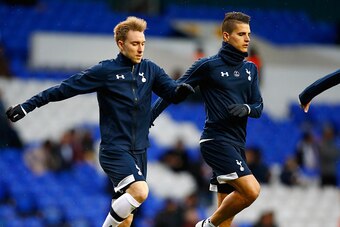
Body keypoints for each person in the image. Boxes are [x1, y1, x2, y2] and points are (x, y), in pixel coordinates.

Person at [6, 16, 194, 227]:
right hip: (115, 149)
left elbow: (172, 93)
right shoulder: (105, 71)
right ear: (121, 44)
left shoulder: (150, 69)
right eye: (135, 44)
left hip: (140, 150)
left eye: (143, 43)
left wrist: (185, 89)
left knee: (127, 218)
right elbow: (64, 89)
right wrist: (28, 105)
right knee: (140, 191)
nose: (140, 48)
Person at [152, 12, 263, 227]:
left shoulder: (250, 69)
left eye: (248, 34)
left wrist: (247, 107)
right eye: (241, 34)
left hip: (237, 144)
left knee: (227, 220)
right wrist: (149, 117)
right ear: (226, 36)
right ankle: (206, 225)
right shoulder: (209, 65)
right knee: (252, 191)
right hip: (216, 141)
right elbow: (175, 92)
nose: (247, 38)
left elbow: (259, 107)